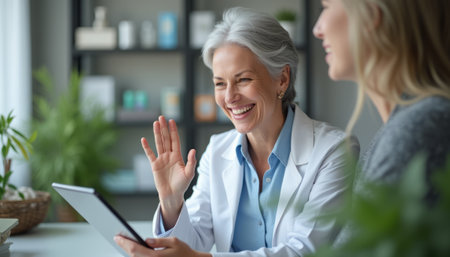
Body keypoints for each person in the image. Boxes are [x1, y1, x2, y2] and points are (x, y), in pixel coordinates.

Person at [115, 7, 359, 257]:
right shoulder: (218, 149)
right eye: (220, 83)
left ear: (282, 79)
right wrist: (171, 200)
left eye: (243, 80)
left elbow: (304, 251)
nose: (229, 97)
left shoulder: (334, 151)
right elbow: (193, 243)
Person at [313, 0, 450, 200]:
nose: (317, 29)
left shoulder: (417, 129)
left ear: (370, 16)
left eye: (326, 7)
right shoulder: (404, 127)